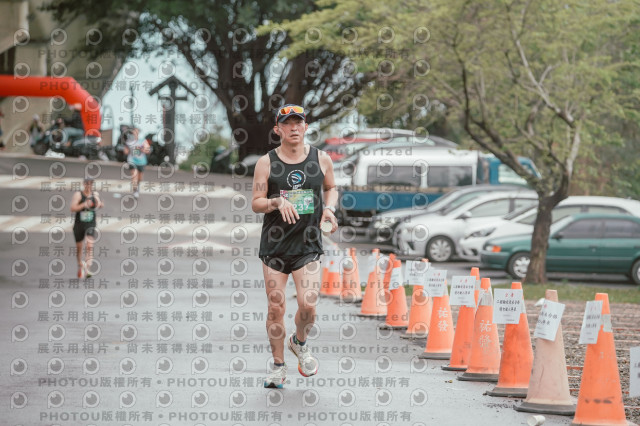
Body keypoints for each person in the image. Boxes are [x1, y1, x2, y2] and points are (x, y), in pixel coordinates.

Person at [251, 104, 339, 388]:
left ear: (306, 127)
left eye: (298, 122)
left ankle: (299, 342)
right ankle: (278, 367)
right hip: (274, 247)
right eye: (287, 123)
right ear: (278, 129)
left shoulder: (321, 158)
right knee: (275, 308)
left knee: (308, 305)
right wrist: (277, 201)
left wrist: (329, 209)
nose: (293, 128)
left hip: (308, 244)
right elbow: (256, 203)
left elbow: (331, 188)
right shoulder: (266, 162)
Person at [70, 178, 104, 279]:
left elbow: (99, 204)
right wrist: (84, 204)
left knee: (89, 245)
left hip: (90, 223)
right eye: (87, 184)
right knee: (79, 247)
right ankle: (80, 264)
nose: (88, 186)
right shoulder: (78, 195)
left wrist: (98, 203)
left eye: (90, 184)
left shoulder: (95, 194)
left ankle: (88, 268)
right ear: (84, 184)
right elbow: (72, 208)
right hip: (79, 224)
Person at [123, 127, 150, 198]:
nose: (135, 133)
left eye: (137, 132)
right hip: (132, 161)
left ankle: (137, 187)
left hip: (141, 162)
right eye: (134, 132)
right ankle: (135, 190)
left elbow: (147, 150)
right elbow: (125, 151)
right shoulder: (129, 141)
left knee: (140, 178)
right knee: (134, 176)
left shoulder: (143, 141)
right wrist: (128, 150)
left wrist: (142, 149)